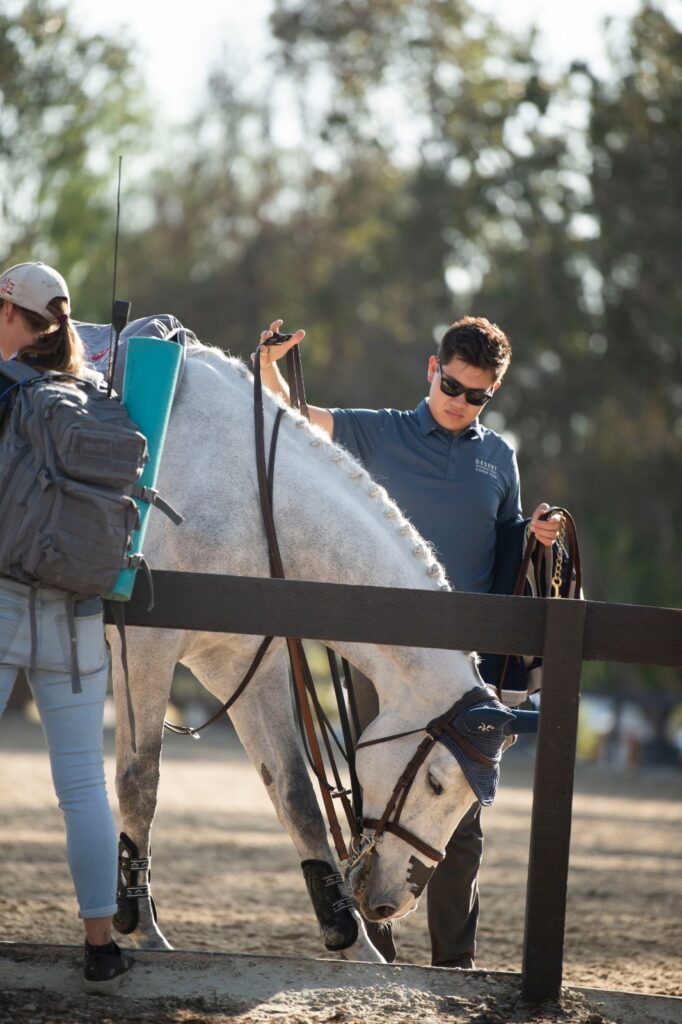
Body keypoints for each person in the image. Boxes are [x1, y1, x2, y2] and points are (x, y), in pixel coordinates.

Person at [254, 314, 561, 968]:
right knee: (377, 809)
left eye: (477, 395)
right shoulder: (378, 431)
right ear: (432, 369)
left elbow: (504, 544)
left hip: (460, 670)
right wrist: (267, 367)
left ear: (493, 394)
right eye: (452, 385)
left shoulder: (499, 456)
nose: (460, 402)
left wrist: (533, 535)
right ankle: (377, 958)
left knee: (459, 820)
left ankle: (456, 966)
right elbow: (292, 414)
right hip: (382, 661)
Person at [0, 262, 133, 993]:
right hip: (80, 613)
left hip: (2, 598)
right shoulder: (96, 398)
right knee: (82, 786)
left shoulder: (6, 388)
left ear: (12, 313)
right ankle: (101, 947)